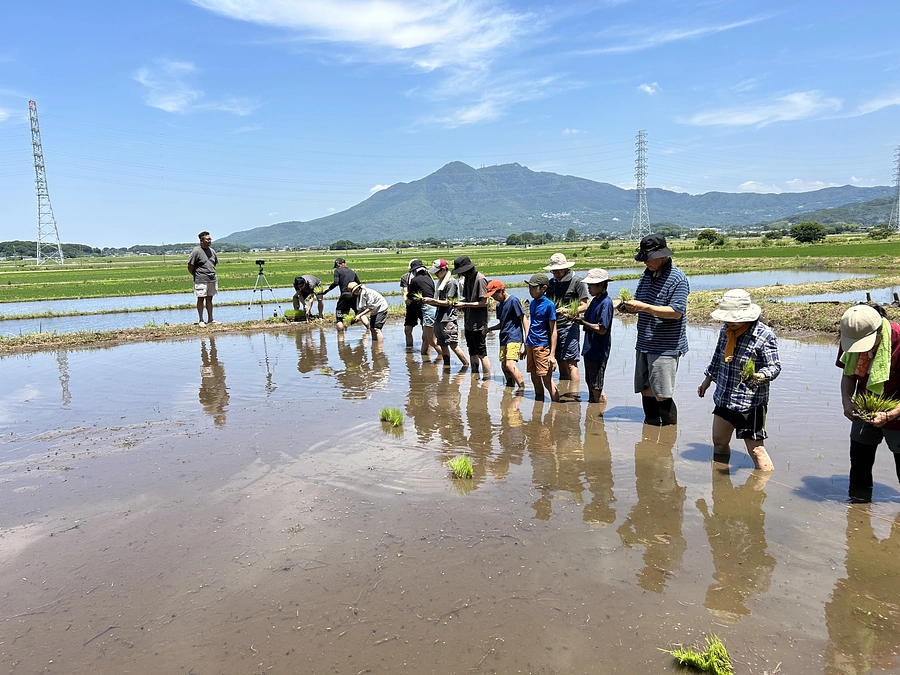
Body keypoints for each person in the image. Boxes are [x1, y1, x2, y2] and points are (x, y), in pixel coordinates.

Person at [697, 289, 781, 472]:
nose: (730, 323)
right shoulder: (726, 331)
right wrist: (707, 381)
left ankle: (763, 486)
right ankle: (720, 483)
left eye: (734, 319)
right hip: (724, 397)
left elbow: (774, 367)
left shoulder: (764, 334)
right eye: (727, 319)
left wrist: (759, 376)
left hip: (749, 403)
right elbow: (717, 357)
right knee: (719, 442)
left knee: (757, 451)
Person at [620, 234, 689, 426]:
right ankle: (650, 429)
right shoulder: (647, 276)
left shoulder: (677, 279)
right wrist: (629, 308)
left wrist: (644, 307)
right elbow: (640, 303)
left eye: (649, 259)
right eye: (644, 259)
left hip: (665, 345)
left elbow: (676, 312)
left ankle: (668, 433)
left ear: (662, 256)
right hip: (644, 342)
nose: (646, 263)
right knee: (646, 389)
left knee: (661, 393)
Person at [836, 303, 900, 503]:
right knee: (859, 466)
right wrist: (847, 402)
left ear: (879, 331)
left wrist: (890, 414)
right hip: (864, 409)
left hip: (897, 412)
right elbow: (849, 375)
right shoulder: (852, 335)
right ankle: (858, 514)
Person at [544, 253, 589, 400]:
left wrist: (568, 311)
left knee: (571, 362)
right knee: (559, 360)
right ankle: (563, 391)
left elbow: (585, 305)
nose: (556, 273)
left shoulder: (577, 282)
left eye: (559, 270)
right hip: (554, 327)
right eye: (554, 271)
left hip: (570, 326)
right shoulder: (552, 283)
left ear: (566, 268)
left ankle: (574, 395)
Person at [422, 259, 469, 369]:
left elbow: (449, 302)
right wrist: (428, 301)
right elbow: (438, 303)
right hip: (439, 318)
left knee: (453, 345)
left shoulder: (451, 283)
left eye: (437, 272)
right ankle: (446, 368)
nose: (436, 274)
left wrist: (432, 301)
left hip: (448, 319)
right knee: (442, 345)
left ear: (443, 269)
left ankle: (466, 365)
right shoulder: (440, 283)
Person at [452, 255, 491, 380]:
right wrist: (458, 303)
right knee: (472, 352)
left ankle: (486, 381)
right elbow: (467, 299)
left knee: (482, 354)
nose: (460, 274)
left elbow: (485, 302)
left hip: (479, 323)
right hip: (468, 322)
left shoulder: (480, 279)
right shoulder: (467, 279)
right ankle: (475, 378)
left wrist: (465, 304)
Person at [578, 269, 613, 404]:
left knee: (597, 386)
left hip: (598, 350)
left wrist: (583, 322)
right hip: (589, 349)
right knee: (590, 383)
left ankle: (598, 415)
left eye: (591, 285)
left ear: (601, 285)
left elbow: (602, 329)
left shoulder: (606, 303)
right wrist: (576, 319)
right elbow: (586, 320)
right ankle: (593, 410)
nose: (589, 288)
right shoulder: (594, 301)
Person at [523, 273, 558, 402]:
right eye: (529, 288)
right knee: (534, 378)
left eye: (533, 288)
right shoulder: (532, 303)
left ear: (543, 288)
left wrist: (552, 355)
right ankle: (537, 412)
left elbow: (553, 331)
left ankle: (556, 409)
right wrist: (526, 346)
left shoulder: (549, 305)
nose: (530, 291)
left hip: (542, 346)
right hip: (531, 344)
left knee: (547, 381)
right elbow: (532, 326)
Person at [486, 280, 526, 390]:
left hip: (514, 337)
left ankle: (521, 388)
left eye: (495, 295)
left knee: (510, 365)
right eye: (492, 296)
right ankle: (510, 387)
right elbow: (502, 323)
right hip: (503, 338)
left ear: (502, 290)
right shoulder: (499, 305)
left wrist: (527, 339)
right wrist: (490, 329)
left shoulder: (513, 301)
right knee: (504, 367)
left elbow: (523, 319)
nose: (494, 298)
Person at [406, 259, 439, 357]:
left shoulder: (415, 280)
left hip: (426, 308)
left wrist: (408, 298)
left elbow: (411, 295)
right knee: (426, 338)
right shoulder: (429, 278)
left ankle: (441, 357)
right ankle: (426, 358)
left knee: (430, 340)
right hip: (434, 306)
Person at [187, 230, 218, 326]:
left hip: (211, 278)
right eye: (207, 239)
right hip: (201, 279)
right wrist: (196, 275)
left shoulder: (212, 251)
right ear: (201, 241)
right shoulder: (196, 251)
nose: (209, 241)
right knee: (200, 299)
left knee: (209, 299)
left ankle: (210, 319)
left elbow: (214, 264)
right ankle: (201, 320)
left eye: (210, 239)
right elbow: (190, 266)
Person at [322, 257, 361, 332]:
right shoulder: (352, 272)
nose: (336, 268)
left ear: (338, 264)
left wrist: (327, 290)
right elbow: (359, 284)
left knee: (339, 316)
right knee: (359, 313)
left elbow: (336, 282)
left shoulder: (338, 271)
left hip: (345, 296)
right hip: (354, 296)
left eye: (336, 266)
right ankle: (368, 328)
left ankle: (340, 338)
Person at [400, 260, 422, 352]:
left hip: (423, 305)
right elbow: (405, 290)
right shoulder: (405, 277)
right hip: (411, 306)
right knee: (407, 330)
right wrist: (406, 299)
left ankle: (428, 348)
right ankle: (409, 349)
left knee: (427, 329)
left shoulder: (424, 276)